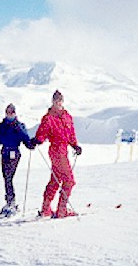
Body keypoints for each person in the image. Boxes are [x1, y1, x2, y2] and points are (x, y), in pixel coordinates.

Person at [31, 90, 82, 218]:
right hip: (56, 150)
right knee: (69, 181)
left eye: (59, 100)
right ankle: (62, 210)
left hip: (64, 150)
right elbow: (42, 133)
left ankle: (45, 208)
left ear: (62, 101)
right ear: (52, 101)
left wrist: (75, 145)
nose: (58, 102)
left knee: (56, 179)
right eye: (55, 100)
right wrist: (37, 140)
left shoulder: (67, 116)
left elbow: (71, 134)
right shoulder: (48, 118)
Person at [0, 103, 35, 216]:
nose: (10, 114)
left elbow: (25, 139)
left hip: (14, 152)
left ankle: (11, 202)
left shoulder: (19, 125)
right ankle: (9, 201)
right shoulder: (1, 126)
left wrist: (31, 145)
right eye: (8, 112)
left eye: (12, 112)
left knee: (8, 177)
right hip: (4, 152)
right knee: (6, 177)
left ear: (15, 113)